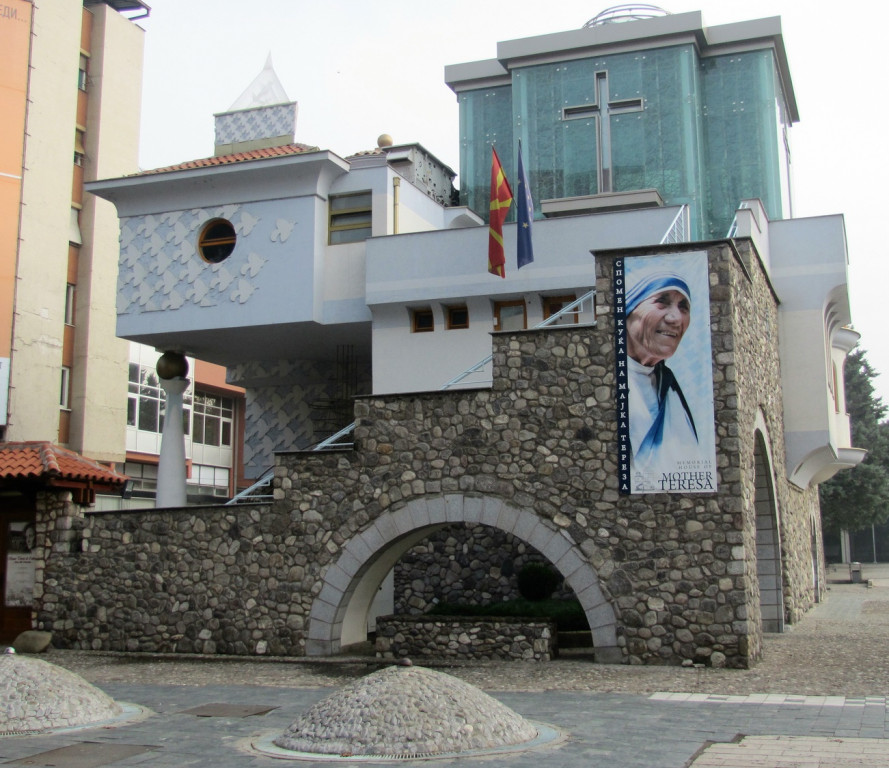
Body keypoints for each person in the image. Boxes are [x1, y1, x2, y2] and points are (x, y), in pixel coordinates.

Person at [624, 269, 699, 479]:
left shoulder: (669, 385)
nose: (676, 318)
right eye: (662, 302)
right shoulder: (616, 379)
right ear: (629, 309)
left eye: (683, 307)